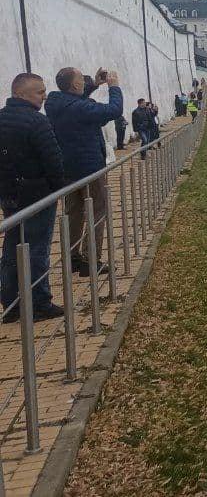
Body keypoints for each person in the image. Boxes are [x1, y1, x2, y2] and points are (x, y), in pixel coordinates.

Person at [0, 73, 66, 322]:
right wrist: (58, 189)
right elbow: (53, 161)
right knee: (37, 249)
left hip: (9, 196)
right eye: (39, 91)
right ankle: (39, 301)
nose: (44, 96)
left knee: (11, 248)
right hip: (38, 196)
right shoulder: (37, 122)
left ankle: (10, 303)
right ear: (20, 94)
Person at [45, 67, 122, 277]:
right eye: (81, 79)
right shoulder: (82, 108)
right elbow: (114, 111)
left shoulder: (54, 103)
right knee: (98, 209)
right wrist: (114, 87)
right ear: (75, 85)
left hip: (67, 169)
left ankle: (73, 257)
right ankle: (90, 259)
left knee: (74, 212)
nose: (84, 81)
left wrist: (94, 85)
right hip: (89, 168)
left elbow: (74, 102)